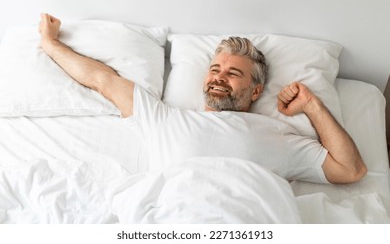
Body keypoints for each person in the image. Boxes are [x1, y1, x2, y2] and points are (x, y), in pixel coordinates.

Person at [39, 13, 367, 184]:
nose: (219, 77)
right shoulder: (164, 118)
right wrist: (51, 44)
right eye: (214, 69)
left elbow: (351, 170)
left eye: (233, 73)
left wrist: (311, 104)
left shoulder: (277, 136)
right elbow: (101, 79)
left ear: (256, 91)